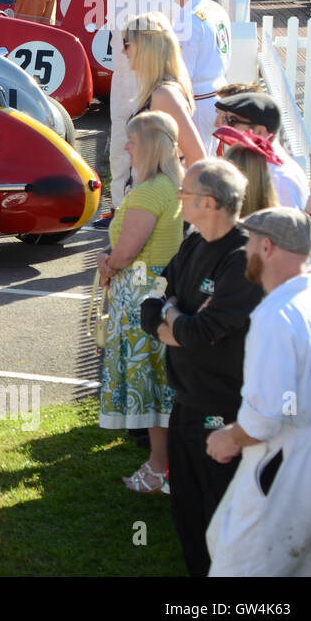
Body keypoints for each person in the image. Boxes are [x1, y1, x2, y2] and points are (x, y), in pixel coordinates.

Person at [135, 158, 260, 574]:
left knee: (220, 514)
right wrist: (173, 317)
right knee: (186, 511)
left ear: (208, 202)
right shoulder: (192, 241)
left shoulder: (241, 258)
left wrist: (174, 319)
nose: (179, 198)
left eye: (185, 193)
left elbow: (201, 332)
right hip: (185, 404)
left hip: (222, 411)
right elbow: (153, 299)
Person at [205, 207, 311, 576]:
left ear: (267, 247)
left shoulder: (277, 315)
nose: (246, 250)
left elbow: (264, 418)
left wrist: (228, 438)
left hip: (285, 471)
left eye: (249, 242)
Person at [97, 110, 185, 488]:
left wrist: (108, 264)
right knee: (161, 384)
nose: (127, 146)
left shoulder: (150, 191)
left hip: (139, 295)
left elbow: (126, 252)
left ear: (148, 146)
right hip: (156, 289)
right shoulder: (169, 185)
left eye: (132, 141)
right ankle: (166, 467)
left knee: (149, 386)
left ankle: (157, 467)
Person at [121, 13, 206, 170]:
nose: (123, 51)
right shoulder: (163, 89)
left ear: (144, 46)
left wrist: (177, 191)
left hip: (159, 191)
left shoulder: (165, 95)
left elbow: (197, 156)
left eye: (126, 44)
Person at [166, 0, 229, 151]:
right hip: (216, 93)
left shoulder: (190, 18)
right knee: (207, 156)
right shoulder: (216, 9)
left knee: (195, 161)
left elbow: (183, 70)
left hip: (199, 100)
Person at [213, 91, 309, 208]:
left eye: (232, 121)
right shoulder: (262, 162)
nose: (225, 127)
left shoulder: (276, 177)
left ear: (259, 131)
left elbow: (286, 224)